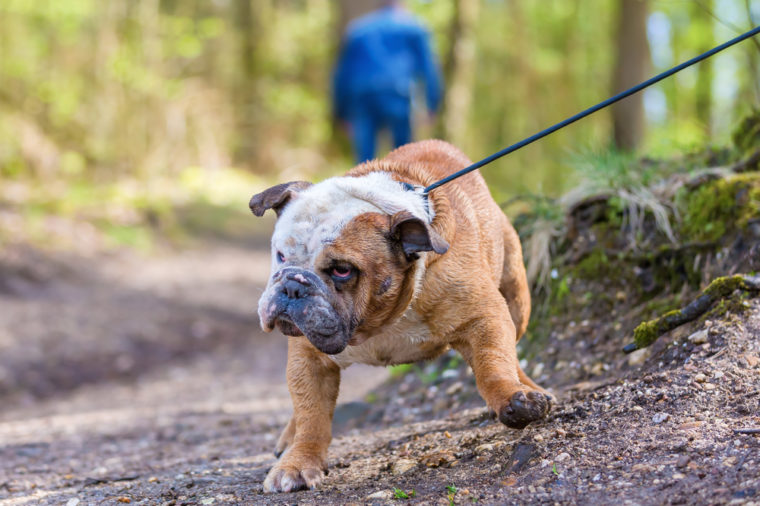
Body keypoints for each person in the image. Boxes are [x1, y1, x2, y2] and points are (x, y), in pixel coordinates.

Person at [332, 1, 443, 163]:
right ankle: (403, 186)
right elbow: (428, 69)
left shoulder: (358, 31)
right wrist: (433, 104)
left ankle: (362, 186)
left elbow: (343, 75)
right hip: (398, 95)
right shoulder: (414, 28)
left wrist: (341, 112)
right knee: (403, 159)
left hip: (363, 98)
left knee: (364, 161)